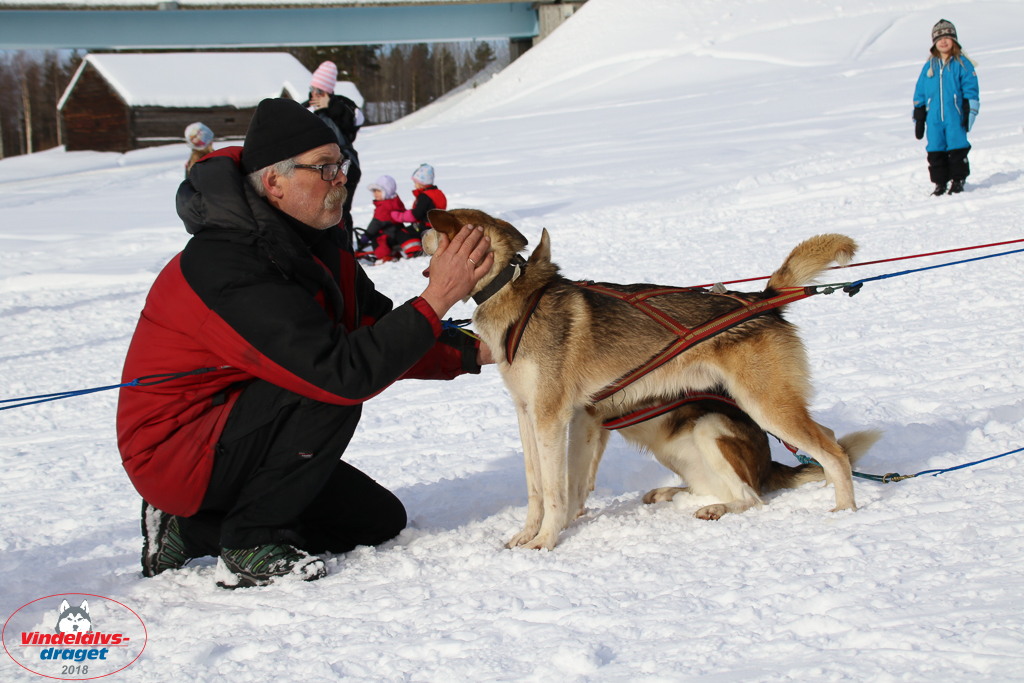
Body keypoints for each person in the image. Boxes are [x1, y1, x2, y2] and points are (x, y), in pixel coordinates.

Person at [118, 98, 494, 589]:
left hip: (234, 435)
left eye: (340, 164)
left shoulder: (314, 237)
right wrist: (438, 295)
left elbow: (373, 323)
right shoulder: (228, 264)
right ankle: (249, 540)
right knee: (331, 388)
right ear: (274, 182)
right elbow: (341, 370)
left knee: (375, 521)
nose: (341, 177)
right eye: (324, 168)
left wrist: (476, 349)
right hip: (176, 451)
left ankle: (189, 529)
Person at [913, 19, 979, 196]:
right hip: (933, 118)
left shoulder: (962, 64)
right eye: (939, 38)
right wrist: (919, 113)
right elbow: (920, 90)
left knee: (957, 147)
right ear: (934, 43)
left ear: (954, 41)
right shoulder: (930, 66)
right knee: (935, 149)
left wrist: (969, 110)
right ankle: (940, 183)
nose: (943, 42)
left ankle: (958, 180)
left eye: (947, 37)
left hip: (954, 115)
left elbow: (971, 89)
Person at [306, 61, 365, 246]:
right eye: (312, 89)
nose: (314, 94)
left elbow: (354, 121)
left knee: (341, 210)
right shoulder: (309, 110)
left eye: (319, 90)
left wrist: (330, 105)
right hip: (323, 167)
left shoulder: (342, 107)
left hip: (347, 165)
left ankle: (345, 249)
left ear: (328, 92)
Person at [389, 164, 448, 258]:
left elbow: (416, 214)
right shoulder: (437, 193)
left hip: (426, 227)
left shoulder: (424, 196)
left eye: (415, 182)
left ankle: (414, 251)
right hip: (437, 225)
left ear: (421, 183)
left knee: (403, 232)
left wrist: (399, 216)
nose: (414, 185)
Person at [356, 175, 407, 263]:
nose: (375, 193)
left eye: (379, 191)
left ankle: (385, 257)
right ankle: (395, 254)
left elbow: (376, 224)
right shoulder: (396, 202)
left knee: (377, 239)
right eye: (374, 191)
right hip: (398, 233)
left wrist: (365, 237)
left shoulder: (383, 207)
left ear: (387, 192)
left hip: (389, 236)